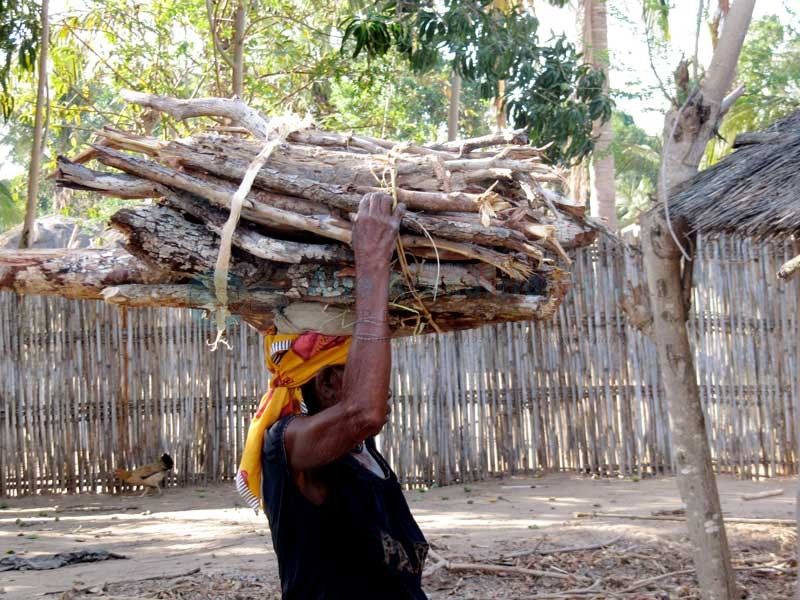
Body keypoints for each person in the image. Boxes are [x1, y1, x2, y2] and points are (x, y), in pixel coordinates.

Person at [235, 192, 429, 599]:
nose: (384, 383)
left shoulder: (361, 452)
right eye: (359, 369)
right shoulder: (288, 443)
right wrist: (373, 264)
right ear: (324, 384)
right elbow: (364, 411)